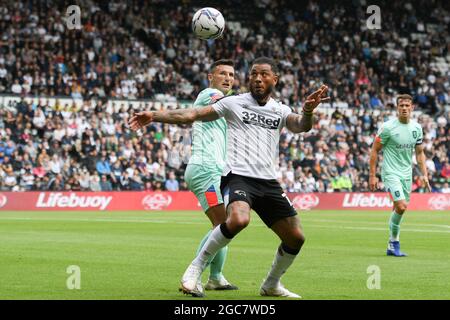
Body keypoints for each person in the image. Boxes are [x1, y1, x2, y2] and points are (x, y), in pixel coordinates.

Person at [129, 56, 329, 298]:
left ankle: (271, 284)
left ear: (274, 79)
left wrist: (307, 112)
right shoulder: (233, 103)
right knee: (237, 219)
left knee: (296, 237)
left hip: (267, 181)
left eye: (264, 74)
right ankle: (195, 270)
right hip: (237, 176)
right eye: (253, 73)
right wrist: (154, 115)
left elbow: (300, 125)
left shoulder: (280, 109)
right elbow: (192, 114)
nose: (257, 78)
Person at [369, 94, 431, 257]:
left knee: (399, 208)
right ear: (397, 108)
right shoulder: (388, 127)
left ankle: (391, 245)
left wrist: (424, 174)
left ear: (412, 108)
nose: (404, 108)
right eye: (401, 105)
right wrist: (372, 175)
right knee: (402, 207)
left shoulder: (417, 128)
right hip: (390, 172)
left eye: (407, 105)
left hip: (406, 174)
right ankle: (394, 242)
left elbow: (419, 153)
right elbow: (375, 150)